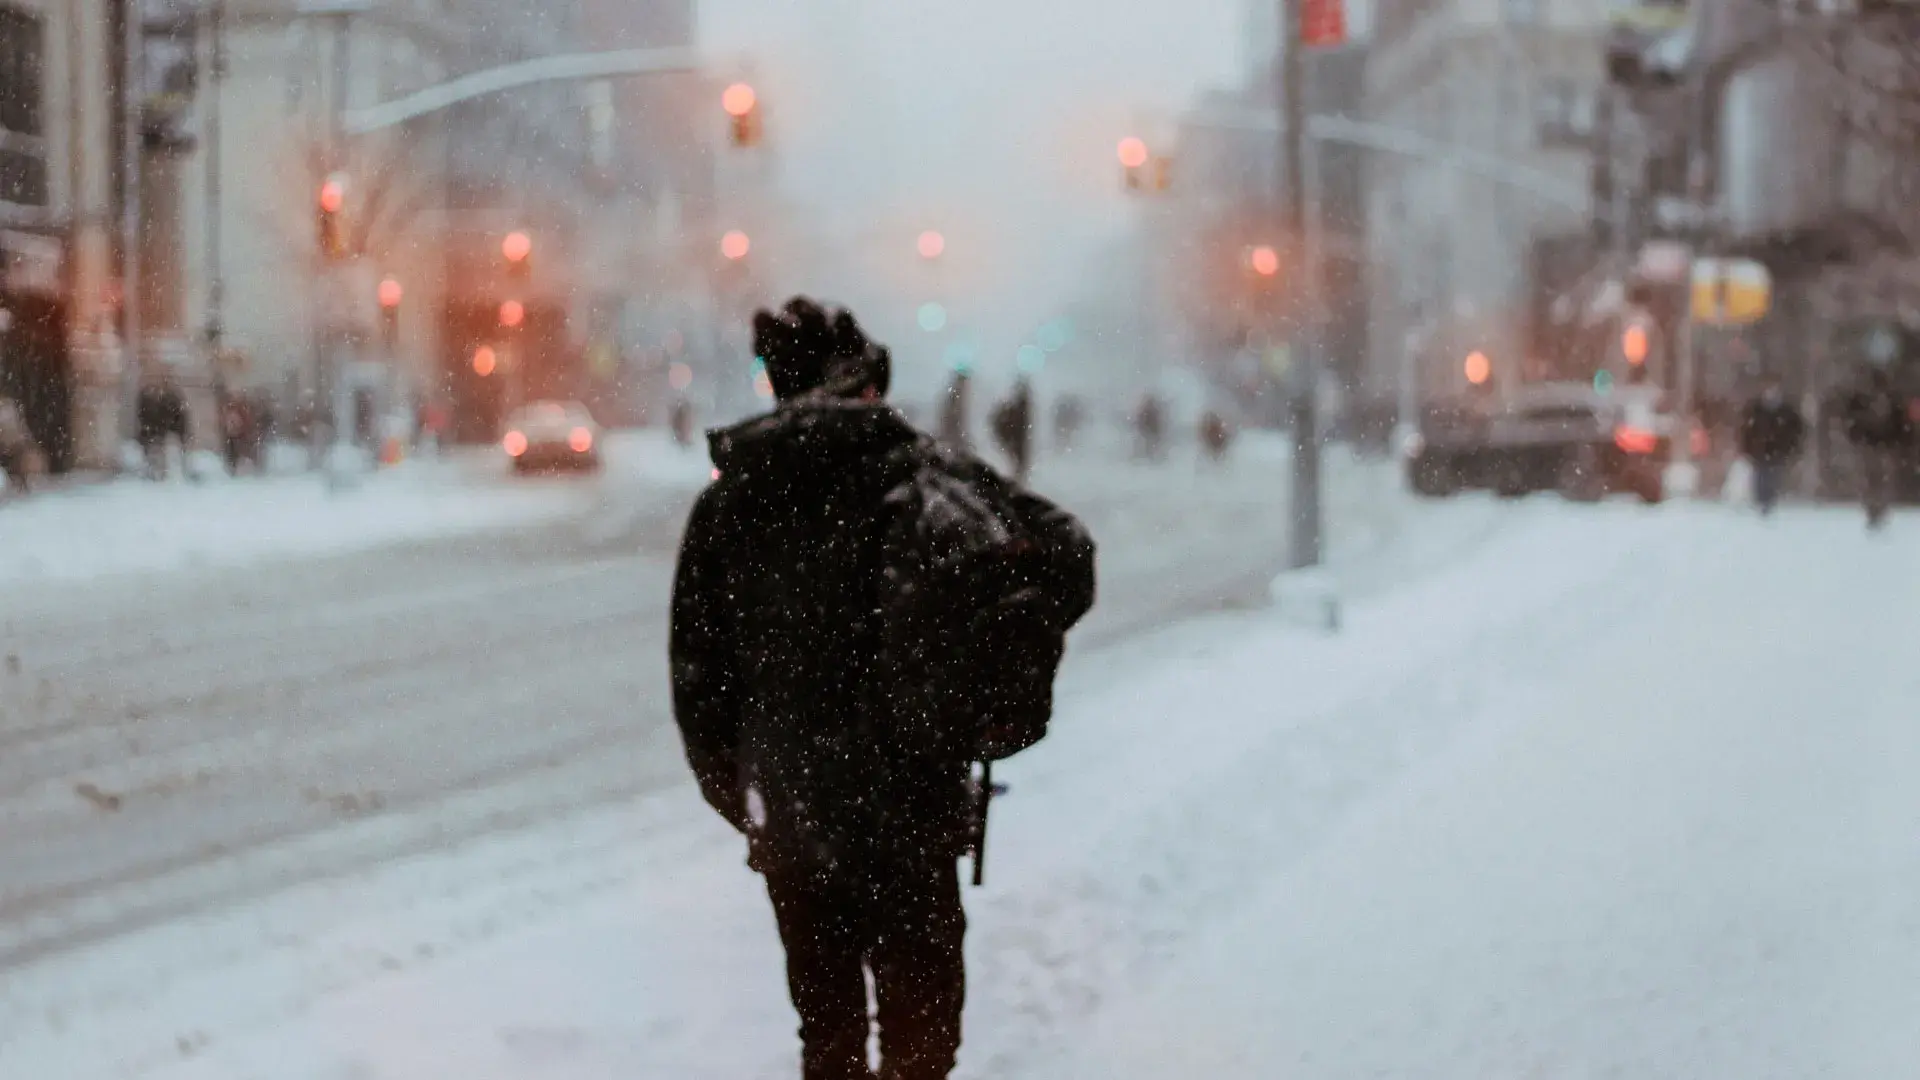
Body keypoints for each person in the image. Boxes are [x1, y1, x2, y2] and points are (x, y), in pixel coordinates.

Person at [670, 297, 1094, 1080]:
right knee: (921, 1038)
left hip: (795, 811)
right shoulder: (929, 477)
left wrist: (751, 797)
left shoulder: (731, 501)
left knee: (827, 1039)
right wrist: (997, 661)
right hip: (912, 803)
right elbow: (1064, 551)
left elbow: (699, 684)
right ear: (865, 382)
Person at [1844, 368, 1914, 529]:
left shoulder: (1888, 400)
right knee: (1875, 480)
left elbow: (1902, 423)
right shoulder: (1866, 400)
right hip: (1875, 445)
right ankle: (1875, 509)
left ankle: (1877, 510)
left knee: (1877, 481)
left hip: (1882, 446)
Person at [1737, 376, 1804, 515]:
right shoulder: (1756, 409)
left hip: (1778, 451)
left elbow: (1796, 431)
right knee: (1760, 478)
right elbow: (1746, 430)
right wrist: (1747, 448)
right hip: (1759, 451)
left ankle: (1770, 501)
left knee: (1773, 478)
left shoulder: (1786, 410)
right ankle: (1761, 501)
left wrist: (1791, 448)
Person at [990, 377, 1034, 482]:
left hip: (1016, 442)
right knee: (1017, 464)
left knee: (1017, 464)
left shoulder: (1014, 409)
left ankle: (1015, 481)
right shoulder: (1015, 410)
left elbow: (998, 422)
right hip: (1016, 441)